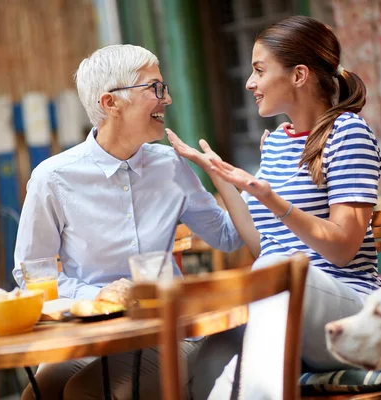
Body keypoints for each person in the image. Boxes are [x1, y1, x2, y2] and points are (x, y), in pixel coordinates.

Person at [167, 15, 381, 399]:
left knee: (272, 272)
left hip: (352, 313)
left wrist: (269, 197)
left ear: (299, 75)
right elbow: (261, 245)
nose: (250, 83)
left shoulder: (348, 131)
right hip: (285, 307)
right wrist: (219, 175)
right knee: (212, 355)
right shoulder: (278, 142)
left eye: (259, 70)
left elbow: (343, 247)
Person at [13, 44, 244, 399]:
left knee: (83, 393)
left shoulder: (170, 166)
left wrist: (222, 177)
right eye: (154, 88)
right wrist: (100, 295)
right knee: (38, 394)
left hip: (168, 331)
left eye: (162, 88)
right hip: (93, 333)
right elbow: (30, 272)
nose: (165, 99)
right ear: (110, 103)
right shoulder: (53, 178)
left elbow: (228, 236)